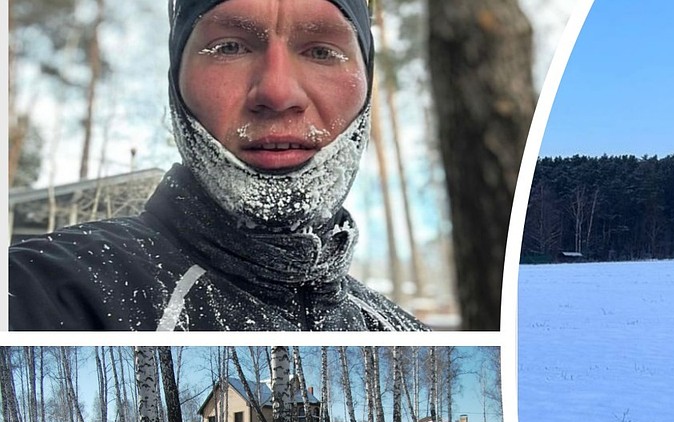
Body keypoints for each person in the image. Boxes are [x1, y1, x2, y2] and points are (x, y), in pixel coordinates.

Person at [8, 0, 427, 331]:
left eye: (321, 50)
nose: (278, 92)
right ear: (177, 83)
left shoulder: (405, 334)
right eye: (229, 47)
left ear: (367, 84)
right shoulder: (39, 290)